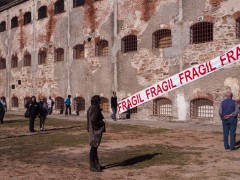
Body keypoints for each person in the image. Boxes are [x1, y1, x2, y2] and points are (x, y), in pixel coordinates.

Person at [87, 95, 106, 172]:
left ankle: (96, 163)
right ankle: (92, 166)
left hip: (93, 130)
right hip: (95, 130)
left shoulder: (92, 107)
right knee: (93, 148)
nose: (100, 102)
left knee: (95, 147)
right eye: (99, 100)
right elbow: (93, 120)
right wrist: (102, 122)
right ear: (97, 101)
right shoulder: (94, 108)